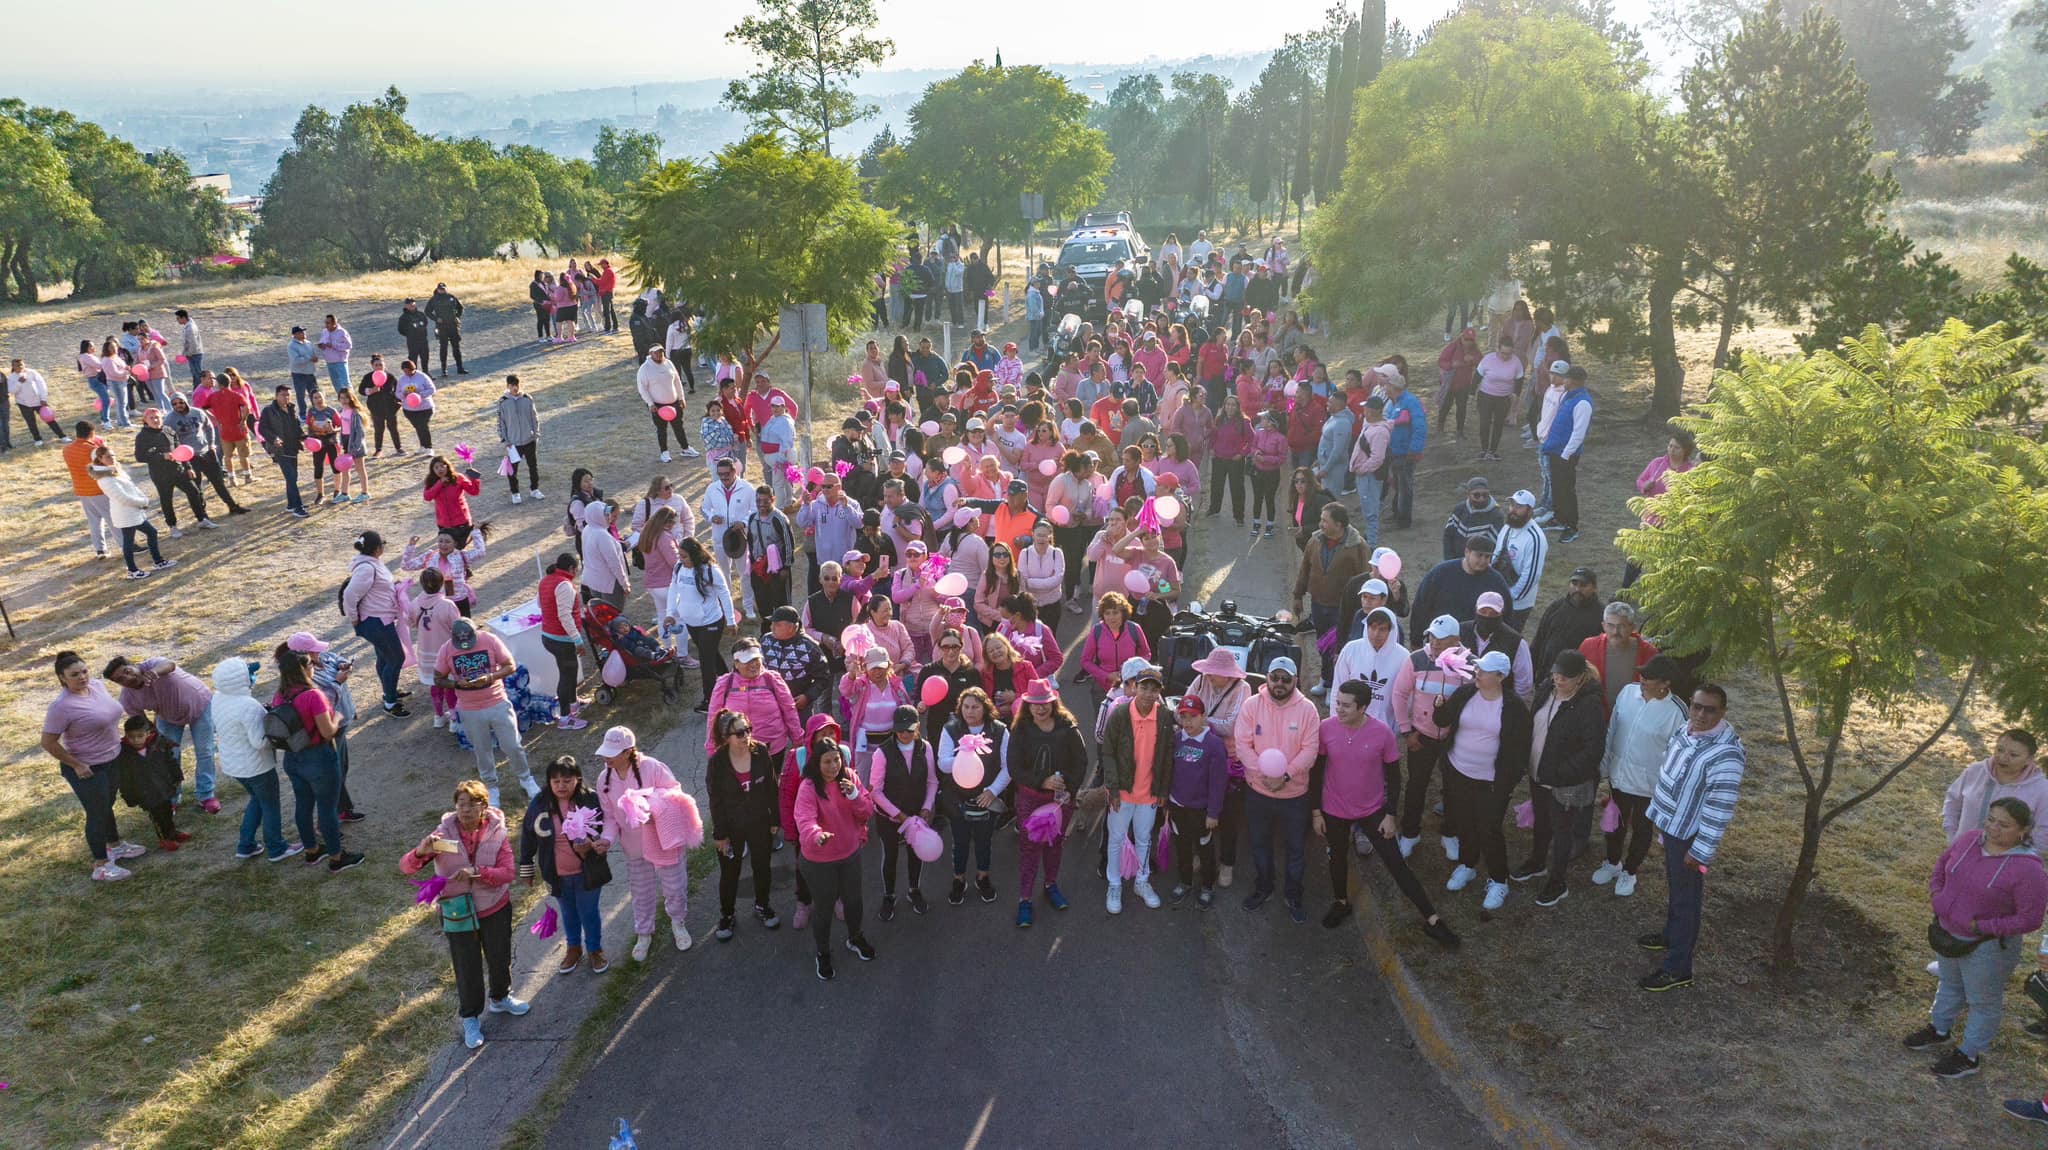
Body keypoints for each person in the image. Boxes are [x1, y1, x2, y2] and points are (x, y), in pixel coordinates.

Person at [1902, 798, 2048, 1078]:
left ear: (2023, 830)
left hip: (1987, 947)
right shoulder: (1970, 839)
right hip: (1947, 933)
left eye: (2004, 824)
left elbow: (2030, 919)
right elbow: (1943, 864)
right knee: (1950, 984)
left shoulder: (2029, 870)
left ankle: (1969, 1055)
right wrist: (1937, 895)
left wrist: (1982, 926)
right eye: (1991, 819)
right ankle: (1939, 1029)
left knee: (1983, 1000)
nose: (1993, 828)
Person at [1316, 680, 1461, 942]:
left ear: (1362, 707)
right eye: (1338, 703)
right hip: (1334, 809)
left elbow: (1395, 777)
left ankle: (1432, 918)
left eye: (1346, 705)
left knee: (1396, 865)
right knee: (1337, 858)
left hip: (1373, 810)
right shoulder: (1326, 729)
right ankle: (1341, 902)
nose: (1338, 709)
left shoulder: (1382, 733)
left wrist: (1391, 814)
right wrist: (1316, 812)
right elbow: (1317, 772)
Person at [1638, 683, 1748, 992]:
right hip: (1671, 828)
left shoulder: (1726, 756)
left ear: (1722, 712)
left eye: (1709, 709)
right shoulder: (1687, 730)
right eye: (1696, 706)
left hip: (1690, 840)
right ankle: (1671, 937)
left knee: (1687, 900)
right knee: (1676, 889)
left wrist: (1699, 852)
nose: (1700, 714)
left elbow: (1719, 810)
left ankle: (1678, 969)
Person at [404, 779, 527, 1049]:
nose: (466, 810)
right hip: (458, 912)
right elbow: (407, 867)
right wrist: (420, 852)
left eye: (473, 804)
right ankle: (470, 1017)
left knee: (499, 957)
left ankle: (500, 997)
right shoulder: (442, 836)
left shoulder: (497, 832)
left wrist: (478, 873)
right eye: (461, 804)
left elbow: (507, 873)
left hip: (494, 907)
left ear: (484, 806)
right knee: (466, 966)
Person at [1433, 650, 1533, 911]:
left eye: (1484, 671)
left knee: (1489, 830)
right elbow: (1442, 721)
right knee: (1464, 822)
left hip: (1490, 782)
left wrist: (1506, 784)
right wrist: (1440, 707)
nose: (1477, 673)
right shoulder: (1466, 694)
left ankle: (1499, 880)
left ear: (1500, 676)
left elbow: (1520, 750)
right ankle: (1467, 865)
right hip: (1457, 772)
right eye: (1477, 668)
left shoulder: (1513, 708)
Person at [44, 651, 155, 880]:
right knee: (97, 812)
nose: (82, 677)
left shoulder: (96, 686)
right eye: (74, 675)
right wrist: (76, 765)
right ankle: (101, 865)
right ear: (62, 678)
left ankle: (114, 845)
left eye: (84, 671)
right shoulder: (61, 707)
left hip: (112, 759)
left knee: (106, 805)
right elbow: (48, 742)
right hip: (87, 767)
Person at [593, 725, 693, 961]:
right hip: (634, 848)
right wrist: (606, 840)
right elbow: (609, 818)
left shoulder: (652, 767)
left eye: (612, 752)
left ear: (628, 752)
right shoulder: (603, 779)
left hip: (663, 842)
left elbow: (675, 793)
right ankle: (644, 932)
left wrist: (651, 805)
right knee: (641, 892)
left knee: (674, 887)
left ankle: (678, 921)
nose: (606, 757)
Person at [1233, 657, 1322, 922]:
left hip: (1295, 795)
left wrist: (1284, 776)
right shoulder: (1251, 706)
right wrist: (1263, 775)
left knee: (1296, 848)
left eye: (1286, 679)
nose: (1279, 684)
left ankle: (1293, 894)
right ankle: (1264, 887)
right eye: (1275, 678)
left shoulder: (1308, 710)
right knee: (1259, 844)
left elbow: (1310, 750)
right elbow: (1242, 745)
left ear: (1296, 680)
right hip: (1257, 792)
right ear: (1267, 678)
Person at [1594, 655, 1690, 897]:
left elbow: (1677, 754)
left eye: (1649, 677)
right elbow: (1613, 729)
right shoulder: (1628, 693)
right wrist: (1605, 767)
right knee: (1615, 824)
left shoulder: (1677, 712)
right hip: (1619, 778)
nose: (1642, 679)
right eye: (1642, 674)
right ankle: (1612, 862)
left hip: (1649, 786)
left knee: (1641, 828)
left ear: (1665, 684)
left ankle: (1630, 870)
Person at [1521, 650, 1608, 907]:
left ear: (1580, 678)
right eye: (1556, 674)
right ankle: (1537, 862)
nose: (1559, 680)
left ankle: (1558, 882)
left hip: (1564, 782)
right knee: (1541, 822)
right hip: (1538, 773)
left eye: (1565, 677)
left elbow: (1593, 750)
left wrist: (1563, 774)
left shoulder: (1589, 704)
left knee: (1562, 831)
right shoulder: (1547, 688)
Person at [272, 645, 363, 872]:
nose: (314, 667)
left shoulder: (279, 696)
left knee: (303, 805)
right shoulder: (313, 696)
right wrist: (338, 716)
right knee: (327, 808)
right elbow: (327, 731)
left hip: (293, 758)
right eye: (311, 664)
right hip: (319, 758)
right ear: (303, 669)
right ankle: (336, 856)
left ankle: (312, 851)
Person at [794, 736, 878, 980]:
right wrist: (817, 835)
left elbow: (867, 812)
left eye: (836, 760)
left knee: (854, 901)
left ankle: (855, 937)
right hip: (819, 861)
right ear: (816, 764)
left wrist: (854, 796)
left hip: (849, 853)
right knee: (824, 907)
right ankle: (823, 952)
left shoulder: (850, 777)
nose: (833, 767)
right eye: (827, 762)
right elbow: (804, 820)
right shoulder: (809, 787)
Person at [518, 756, 609, 974]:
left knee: (589, 912)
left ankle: (595, 950)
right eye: (555, 781)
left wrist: (593, 843)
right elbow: (528, 836)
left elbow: (606, 828)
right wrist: (526, 867)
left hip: (588, 871)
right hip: (556, 874)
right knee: (568, 912)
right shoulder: (539, 804)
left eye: (567, 780)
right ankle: (574, 949)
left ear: (577, 780)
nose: (561, 785)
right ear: (549, 782)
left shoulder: (590, 800)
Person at [1097, 661, 1175, 914]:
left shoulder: (1164, 716)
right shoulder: (1119, 714)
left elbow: (1166, 756)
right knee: (1117, 839)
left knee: (1143, 839)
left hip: (1149, 793)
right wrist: (1113, 788)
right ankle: (1114, 883)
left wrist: (1162, 790)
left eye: (1154, 690)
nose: (1149, 694)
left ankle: (1142, 881)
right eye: (1144, 688)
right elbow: (1107, 752)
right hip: (1122, 793)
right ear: (1134, 687)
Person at [434, 619, 537, 808]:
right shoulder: (447, 649)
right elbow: (438, 678)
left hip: (497, 702)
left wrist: (490, 677)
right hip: (469, 709)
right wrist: (457, 684)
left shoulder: (489, 640)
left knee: (513, 745)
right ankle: (491, 787)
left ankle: (526, 779)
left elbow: (510, 665)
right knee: (482, 751)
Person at [1009, 678, 1084, 927]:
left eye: (1045, 703)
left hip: (1060, 802)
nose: (1040, 709)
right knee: (1030, 849)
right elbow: (1014, 768)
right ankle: (1025, 899)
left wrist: (1068, 790)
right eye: (1035, 704)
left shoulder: (1068, 729)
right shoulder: (1020, 731)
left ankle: (1051, 885)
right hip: (1031, 799)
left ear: (1054, 703)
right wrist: (1043, 781)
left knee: (1055, 844)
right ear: (1027, 706)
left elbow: (1080, 762)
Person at [209, 656, 298, 861]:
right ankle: (277, 847)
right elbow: (259, 742)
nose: (253, 676)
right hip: (256, 766)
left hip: (234, 765)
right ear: (241, 680)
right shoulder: (248, 705)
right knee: (270, 805)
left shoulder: (217, 698)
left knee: (257, 800)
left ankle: (246, 844)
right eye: (249, 674)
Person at [706, 711, 784, 942]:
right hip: (730, 827)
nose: (746, 736)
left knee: (762, 866)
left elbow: (771, 787)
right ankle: (727, 915)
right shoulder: (717, 763)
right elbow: (715, 801)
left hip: (759, 822)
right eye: (739, 733)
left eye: (748, 730)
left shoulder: (760, 752)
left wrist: (775, 820)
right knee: (730, 872)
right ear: (725, 737)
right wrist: (720, 834)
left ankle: (762, 906)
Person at [104, 655, 217, 813]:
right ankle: (172, 797)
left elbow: (170, 664)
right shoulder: (127, 699)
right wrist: (157, 738)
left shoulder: (152, 665)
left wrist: (154, 672)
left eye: (127, 671)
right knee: (168, 756)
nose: (128, 678)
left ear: (136, 665)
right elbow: (143, 724)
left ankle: (206, 795)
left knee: (204, 750)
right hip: (168, 717)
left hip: (200, 704)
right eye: (121, 679)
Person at [937, 685, 1008, 904]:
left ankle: (982, 877)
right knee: (960, 841)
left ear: (984, 708)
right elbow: (943, 764)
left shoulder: (1000, 730)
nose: (970, 711)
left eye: (975, 707)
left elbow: (1008, 768)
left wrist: (992, 791)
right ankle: (959, 879)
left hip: (986, 797)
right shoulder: (950, 729)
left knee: (984, 841)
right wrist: (966, 751)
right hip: (958, 798)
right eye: (966, 706)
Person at [1293, 503, 1370, 695]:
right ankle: (1326, 680)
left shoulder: (1358, 547)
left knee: (1338, 648)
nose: (1320, 524)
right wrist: (1298, 595)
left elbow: (1365, 580)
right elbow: (1305, 569)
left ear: (1339, 525)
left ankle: (1336, 687)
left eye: (1325, 521)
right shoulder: (1315, 541)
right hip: (1319, 604)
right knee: (1322, 644)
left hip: (1342, 609)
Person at [342, 530, 412, 716]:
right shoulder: (367, 568)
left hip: (381, 619)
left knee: (384, 657)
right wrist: (354, 618)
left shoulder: (372, 563)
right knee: (396, 658)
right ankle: (390, 703)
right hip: (375, 621)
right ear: (377, 548)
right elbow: (350, 595)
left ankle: (389, 691)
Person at [666, 536, 737, 710]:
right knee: (711, 653)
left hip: (711, 621)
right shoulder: (679, 568)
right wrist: (671, 614)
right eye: (680, 556)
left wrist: (731, 620)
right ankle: (731, 683)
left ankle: (710, 701)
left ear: (695, 555)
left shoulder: (710, 570)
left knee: (706, 660)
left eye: (685, 556)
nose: (681, 560)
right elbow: (673, 589)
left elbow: (724, 594)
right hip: (692, 622)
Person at [703, 638, 804, 759]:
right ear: (736, 663)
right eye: (748, 661)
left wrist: (798, 739)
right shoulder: (724, 683)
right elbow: (713, 717)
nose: (754, 664)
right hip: (738, 749)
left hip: (772, 748)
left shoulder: (772, 679)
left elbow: (789, 710)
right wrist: (711, 748)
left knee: (772, 778)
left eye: (756, 659)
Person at [1623, 427, 1697, 587]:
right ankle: (1625, 589)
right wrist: (1645, 486)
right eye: (1670, 445)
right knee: (1638, 555)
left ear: (1686, 451)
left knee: (1667, 560)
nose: (1672, 450)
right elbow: (1640, 480)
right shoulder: (1657, 463)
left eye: (1677, 447)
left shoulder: (1691, 471)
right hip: (1651, 518)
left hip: (1674, 523)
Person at [94, 445, 174, 578]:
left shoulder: (116, 470)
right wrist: (142, 502)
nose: (112, 458)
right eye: (108, 456)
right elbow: (122, 498)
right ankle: (133, 570)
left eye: (113, 455)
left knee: (151, 533)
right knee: (129, 542)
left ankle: (157, 561)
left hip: (134, 511)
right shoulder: (105, 479)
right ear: (100, 459)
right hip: (125, 513)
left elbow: (132, 487)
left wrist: (142, 499)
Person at [132, 406, 213, 536]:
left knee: (194, 492)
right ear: (145, 420)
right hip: (161, 474)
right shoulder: (142, 436)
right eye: (151, 418)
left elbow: (180, 450)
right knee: (166, 500)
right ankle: (173, 526)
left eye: (157, 417)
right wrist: (161, 456)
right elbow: (140, 456)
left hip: (178, 470)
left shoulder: (169, 430)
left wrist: (188, 468)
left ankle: (202, 519)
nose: (155, 420)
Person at [1410, 534, 1514, 635]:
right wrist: (1416, 638)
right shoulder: (1441, 573)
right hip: (1440, 637)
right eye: (1479, 555)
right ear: (1467, 552)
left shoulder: (1496, 581)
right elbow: (1421, 606)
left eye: (1487, 557)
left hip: (1474, 642)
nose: (1483, 561)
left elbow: (1507, 614)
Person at [1540, 365, 1593, 543]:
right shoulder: (1567, 396)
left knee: (1567, 490)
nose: (1564, 381)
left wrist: (1566, 454)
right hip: (1556, 450)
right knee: (1557, 487)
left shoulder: (1583, 403)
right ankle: (1559, 517)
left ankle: (1571, 525)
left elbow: (1578, 433)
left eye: (1567, 378)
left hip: (1566, 454)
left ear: (1572, 380)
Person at [1580, 601, 1659, 716]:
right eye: (1610, 625)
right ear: (1603, 626)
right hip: (1595, 717)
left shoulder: (1649, 653)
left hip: (1633, 719)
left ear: (1633, 627)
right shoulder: (1588, 646)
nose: (1615, 632)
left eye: (1621, 626)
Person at [1491, 491, 1549, 632]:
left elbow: (1531, 575)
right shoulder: (1507, 528)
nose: (1513, 510)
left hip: (1517, 605)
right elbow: (1495, 557)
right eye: (1512, 505)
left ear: (1530, 511)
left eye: (1519, 507)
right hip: (1498, 597)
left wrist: (1510, 598)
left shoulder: (1536, 538)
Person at [1531, 566, 1605, 675]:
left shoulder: (1601, 614)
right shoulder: (1556, 607)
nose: (1577, 589)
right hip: (1546, 673)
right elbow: (1539, 640)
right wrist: (1531, 671)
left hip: (1577, 677)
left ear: (1594, 587)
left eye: (1583, 585)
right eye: (1574, 584)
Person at [637, 346, 695, 463]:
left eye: (661, 352)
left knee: (679, 427)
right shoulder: (645, 368)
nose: (659, 354)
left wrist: (681, 397)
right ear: (650, 354)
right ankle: (664, 452)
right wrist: (650, 403)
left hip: (674, 403)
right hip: (658, 406)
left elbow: (677, 381)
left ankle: (685, 448)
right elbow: (642, 388)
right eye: (656, 353)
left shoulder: (668, 363)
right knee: (661, 429)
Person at [1471, 334, 1522, 460]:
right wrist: (1472, 392)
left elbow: (1519, 379)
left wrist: (1516, 394)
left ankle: (1493, 451)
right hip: (1485, 396)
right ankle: (1484, 449)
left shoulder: (1516, 362)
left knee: (1498, 424)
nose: (1505, 356)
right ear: (1498, 349)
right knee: (1485, 422)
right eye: (1503, 353)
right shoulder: (1488, 359)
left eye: (1508, 354)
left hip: (1503, 398)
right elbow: (1477, 376)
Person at [577, 501, 631, 610]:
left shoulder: (587, 529)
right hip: (609, 584)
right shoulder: (603, 535)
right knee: (614, 614)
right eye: (605, 514)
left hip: (594, 581)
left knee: (601, 614)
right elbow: (614, 564)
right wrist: (625, 584)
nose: (609, 517)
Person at [497, 374, 542, 503]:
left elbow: (534, 417)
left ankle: (535, 489)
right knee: (512, 470)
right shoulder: (503, 402)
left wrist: (535, 434)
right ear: (508, 386)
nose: (515, 388)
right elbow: (501, 422)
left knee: (533, 466)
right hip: (513, 443)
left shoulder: (527, 399)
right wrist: (505, 440)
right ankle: (515, 493)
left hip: (529, 440)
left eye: (516, 385)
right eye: (512, 386)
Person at [1442, 477, 1503, 563]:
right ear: (1468, 494)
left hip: (1478, 565)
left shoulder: (1496, 515)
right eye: (1476, 495)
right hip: (1454, 561)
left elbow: (1493, 548)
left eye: (1485, 495)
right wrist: (1449, 561)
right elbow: (1448, 536)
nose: (1481, 499)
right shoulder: (1460, 509)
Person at [426, 282, 467, 375]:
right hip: (441, 326)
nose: (442, 290)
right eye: (440, 289)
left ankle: (460, 368)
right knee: (443, 348)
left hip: (453, 325)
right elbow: (427, 311)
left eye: (443, 289)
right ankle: (444, 370)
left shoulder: (451, 297)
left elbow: (460, 308)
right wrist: (436, 319)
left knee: (456, 347)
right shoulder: (434, 299)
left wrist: (457, 316)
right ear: (437, 289)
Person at [315, 314, 353, 396]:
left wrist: (333, 345)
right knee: (336, 384)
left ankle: (352, 401)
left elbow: (348, 345)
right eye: (325, 323)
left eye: (328, 323)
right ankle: (342, 402)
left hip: (340, 361)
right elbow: (323, 342)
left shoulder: (342, 332)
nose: (326, 325)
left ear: (334, 323)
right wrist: (321, 346)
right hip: (329, 362)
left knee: (345, 383)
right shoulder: (324, 331)